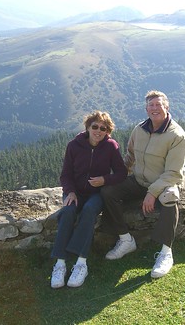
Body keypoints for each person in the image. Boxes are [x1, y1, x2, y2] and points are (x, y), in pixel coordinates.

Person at [101, 90, 185, 278]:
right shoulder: (139, 130)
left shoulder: (177, 136)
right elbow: (130, 156)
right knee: (108, 192)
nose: (155, 108)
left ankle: (166, 252)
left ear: (167, 107)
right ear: (146, 109)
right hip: (139, 180)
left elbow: (173, 173)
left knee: (169, 199)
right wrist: (118, 176)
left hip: (164, 183)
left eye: (159, 105)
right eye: (151, 105)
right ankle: (126, 240)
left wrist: (152, 193)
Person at [50, 111, 128, 289]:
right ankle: (60, 264)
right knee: (68, 212)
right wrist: (69, 192)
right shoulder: (74, 146)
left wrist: (104, 180)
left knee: (89, 211)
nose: (98, 131)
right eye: (95, 126)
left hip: (96, 193)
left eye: (103, 128)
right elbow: (66, 174)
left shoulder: (111, 146)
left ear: (108, 131)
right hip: (75, 192)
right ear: (87, 127)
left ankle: (81, 263)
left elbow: (121, 173)